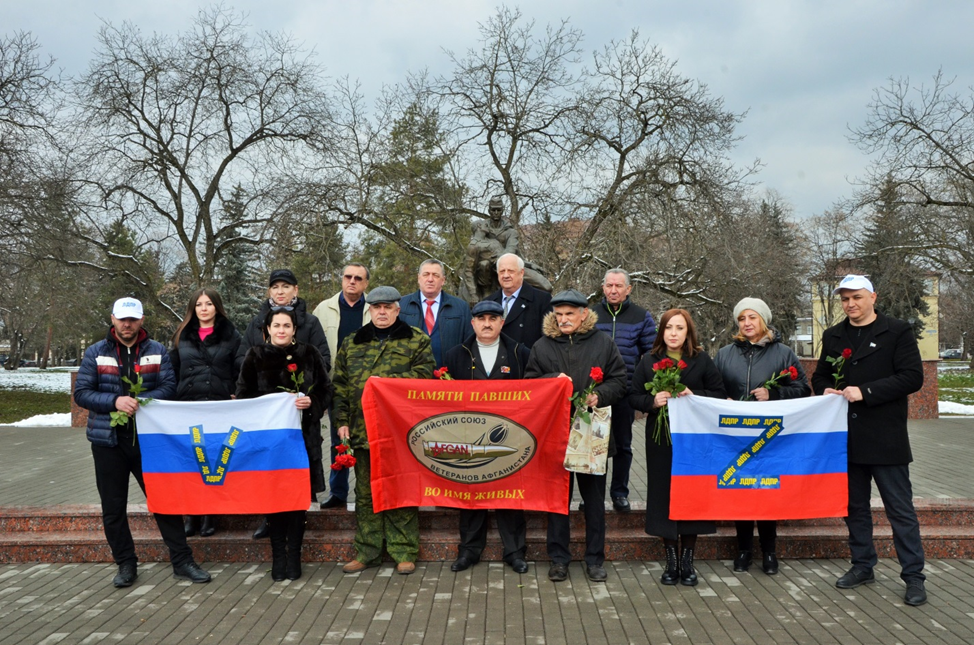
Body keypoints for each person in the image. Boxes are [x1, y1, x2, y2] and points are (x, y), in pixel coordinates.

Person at [74, 297, 211, 587]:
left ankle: (182, 561)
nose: (127, 324)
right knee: (113, 507)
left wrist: (143, 401)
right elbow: (83, 393)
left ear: (141, 320)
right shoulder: (96, 352)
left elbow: (168, 387)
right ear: (112, 319)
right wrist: (114, 401)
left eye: (132, 319)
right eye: (122, 319)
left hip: (149, 441)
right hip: (107, 441)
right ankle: (126, 564)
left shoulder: (157, 351)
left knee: (165, 502)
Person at [811, 274, 927, 606]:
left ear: (873, 297)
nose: (850, 304)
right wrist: (825, 389)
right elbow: (820, 374)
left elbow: (912, 377)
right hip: (845, 438)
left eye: (856, 297)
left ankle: (914, 576)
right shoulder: (834, 335)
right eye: (845, 299)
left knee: (900, 510)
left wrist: (865, 392)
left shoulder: (896, 331)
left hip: (885, 437)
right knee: (854, 508)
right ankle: (863, 566)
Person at [524, 289, 627, 583]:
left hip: (593, 430)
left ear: (584, 314)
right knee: (558, 500)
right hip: (556, 433)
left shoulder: (603, 343)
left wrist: (600, 395)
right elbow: (530, 383)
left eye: (570, 314)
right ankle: (558, 559)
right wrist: (550, 381)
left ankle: (595, 559)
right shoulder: (542, 346)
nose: (564, 319)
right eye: (559, 314)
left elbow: (620, 380)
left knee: (594, 501)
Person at [334, 286, 435, 575]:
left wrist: (384, 381)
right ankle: (367, 551)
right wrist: (341, 421)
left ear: (397, 309)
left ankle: (404, 550)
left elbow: (425, 376)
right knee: (365, 493)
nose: (381, 312)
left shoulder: (416, 340)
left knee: (400, 489)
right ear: (369, 309)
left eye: (387, 307)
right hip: (362, 429)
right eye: (376, 307)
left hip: (401, 432)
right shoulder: (352, 342)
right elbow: (339, 385)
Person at [629, 308, 725, 587]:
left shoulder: (701, 360)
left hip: (695, 440)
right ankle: (671, 560)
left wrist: (695, 396)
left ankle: (688, 561)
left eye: (679, 328)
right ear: (662, 331)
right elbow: (634, 395)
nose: (673, 333)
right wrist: (651, 402)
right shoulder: (649, 360)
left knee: (691, 493)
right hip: (661, 439)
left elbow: (719, 394)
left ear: (688, 332)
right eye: (669, 327)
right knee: (664, 494)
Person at [713, 297, 810, 576]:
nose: (746, 323)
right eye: (742, 318)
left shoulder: (783, 354)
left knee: (767, 490)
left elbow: (804, 389)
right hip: (735, 435)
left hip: (770, 435)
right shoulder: (724, 354)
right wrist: (723, 399)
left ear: (763, 320)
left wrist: (774, 394)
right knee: (740, 489)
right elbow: (712, 388)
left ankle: (769, 551)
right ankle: (743, 549)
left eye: (752, 318)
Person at [235, 307, 332, 581]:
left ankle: (295, 556)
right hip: (269, 444)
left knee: (297, 499)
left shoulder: (309, 354)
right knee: (275, 498)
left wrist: (311, 402)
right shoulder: (255, 356)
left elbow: (326, 390)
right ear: (267, 329)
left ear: (294, 329)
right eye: (276, 325)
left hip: (303, 440)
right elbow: (243, 395)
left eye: (286, 326)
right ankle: (278, 555)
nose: (281, 330)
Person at [442, 300, 532, 574]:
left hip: (509, 437)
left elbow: (534, 392)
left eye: (493, 317)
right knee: (470, 492)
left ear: (502, 322)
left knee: (509, 494)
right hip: (469, 439)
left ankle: (515, 552)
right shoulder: (456, 355)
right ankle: (469, 550)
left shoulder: (519, 352)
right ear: (473, 323)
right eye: (481, 318)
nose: (487, 323)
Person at [170, 288, 243, 539]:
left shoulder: (232, 336)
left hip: (218, 406)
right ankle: (191, 514)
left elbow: (240, 369)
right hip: (188, 405)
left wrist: (236, 392)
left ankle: (210, 514)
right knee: (191, 462)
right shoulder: (182, 336)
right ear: (193, 308)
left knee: (213, 460)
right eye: (199, 304)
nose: (204, 308)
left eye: (209, 303)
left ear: (216, 307)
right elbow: (173, 370)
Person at [594, 268, 657, 513]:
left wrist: (643, 393)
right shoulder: (591, 314)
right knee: (596, 447)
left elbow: (651, 355)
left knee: (623, 446)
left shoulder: (641, 316)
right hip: (595, 394)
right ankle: (594, 495)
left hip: (625, 393)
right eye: (609, 285)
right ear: (603, 288)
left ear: (628, 289)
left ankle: (619, 493)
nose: (613, 290)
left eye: (619, 286)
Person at [312, 263, 372, 510]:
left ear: (366, 283)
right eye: (348, 276)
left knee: (366, 438)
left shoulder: (373, 308)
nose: (352, 281)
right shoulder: (323, 309)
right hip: (335, 383)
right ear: (342, 279)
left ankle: (366, 492)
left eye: (358, 278)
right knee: (340, 435)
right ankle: (338, 492)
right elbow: (314, 350)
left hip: (368, 386)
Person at [399, 259, 472, 366]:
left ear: (443, 280)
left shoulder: (461, 308)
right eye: (426, 274)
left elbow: (469, 344)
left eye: (435, 275)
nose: (430, 279)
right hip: (412, 376)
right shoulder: (401, 306)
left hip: (448, 376)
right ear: (418, 278)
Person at [487, 253, 552, 349]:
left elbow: (548, 339)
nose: (506, 275)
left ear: (521, 272)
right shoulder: (488, 302)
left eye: (510, 271)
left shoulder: (542, 300)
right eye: (502, 271)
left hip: (528, 361)